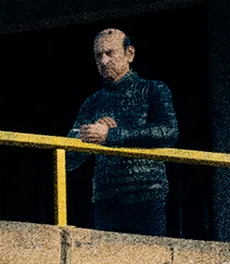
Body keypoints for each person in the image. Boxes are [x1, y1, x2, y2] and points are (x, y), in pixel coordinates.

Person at [69, 23, 177, 235]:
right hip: (105, 196)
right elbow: (68, 157)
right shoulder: (92, 103)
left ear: (130, 53)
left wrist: (111, 135)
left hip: (146, 191)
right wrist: (88, 136)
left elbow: (169, 132)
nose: (103, 61)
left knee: (148, 260)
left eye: (110, 53)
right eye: (98, 55)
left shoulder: (153, 90)